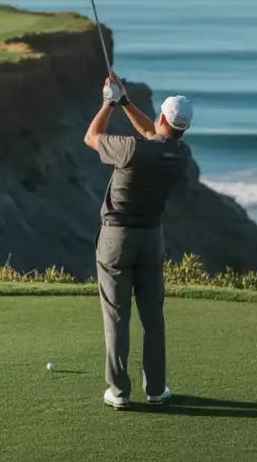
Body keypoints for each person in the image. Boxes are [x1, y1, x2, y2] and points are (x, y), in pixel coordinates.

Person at [83, 75, 194, 410]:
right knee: (152, 318)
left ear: (162, 118)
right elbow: (152, 135)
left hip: (117, 239)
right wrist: (126, 102)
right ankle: (156, 389)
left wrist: (108, 102)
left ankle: (118, 392)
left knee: (117, 316)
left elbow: (92, 137)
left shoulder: (132, 149)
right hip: (151, 239)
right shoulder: (182, 155)